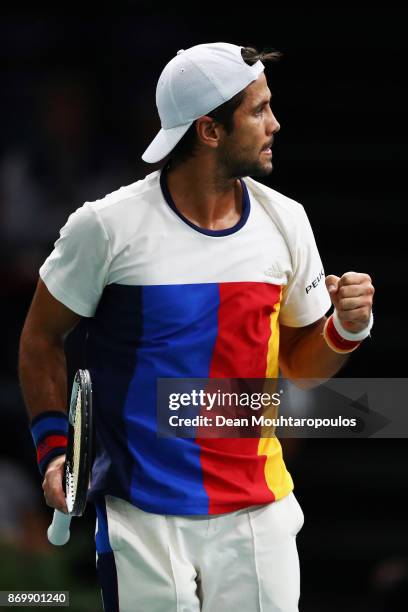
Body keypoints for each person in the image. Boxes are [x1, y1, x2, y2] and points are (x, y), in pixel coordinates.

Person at [19, 42, 374, 612]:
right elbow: (40, 337)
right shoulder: (106, 227)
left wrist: (346, 330)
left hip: (259, 514)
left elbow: (304, 370)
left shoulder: (287, 221)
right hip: (142, 517)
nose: (274, 124)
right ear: (209, 130)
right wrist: (54, 449)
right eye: (258, 111)